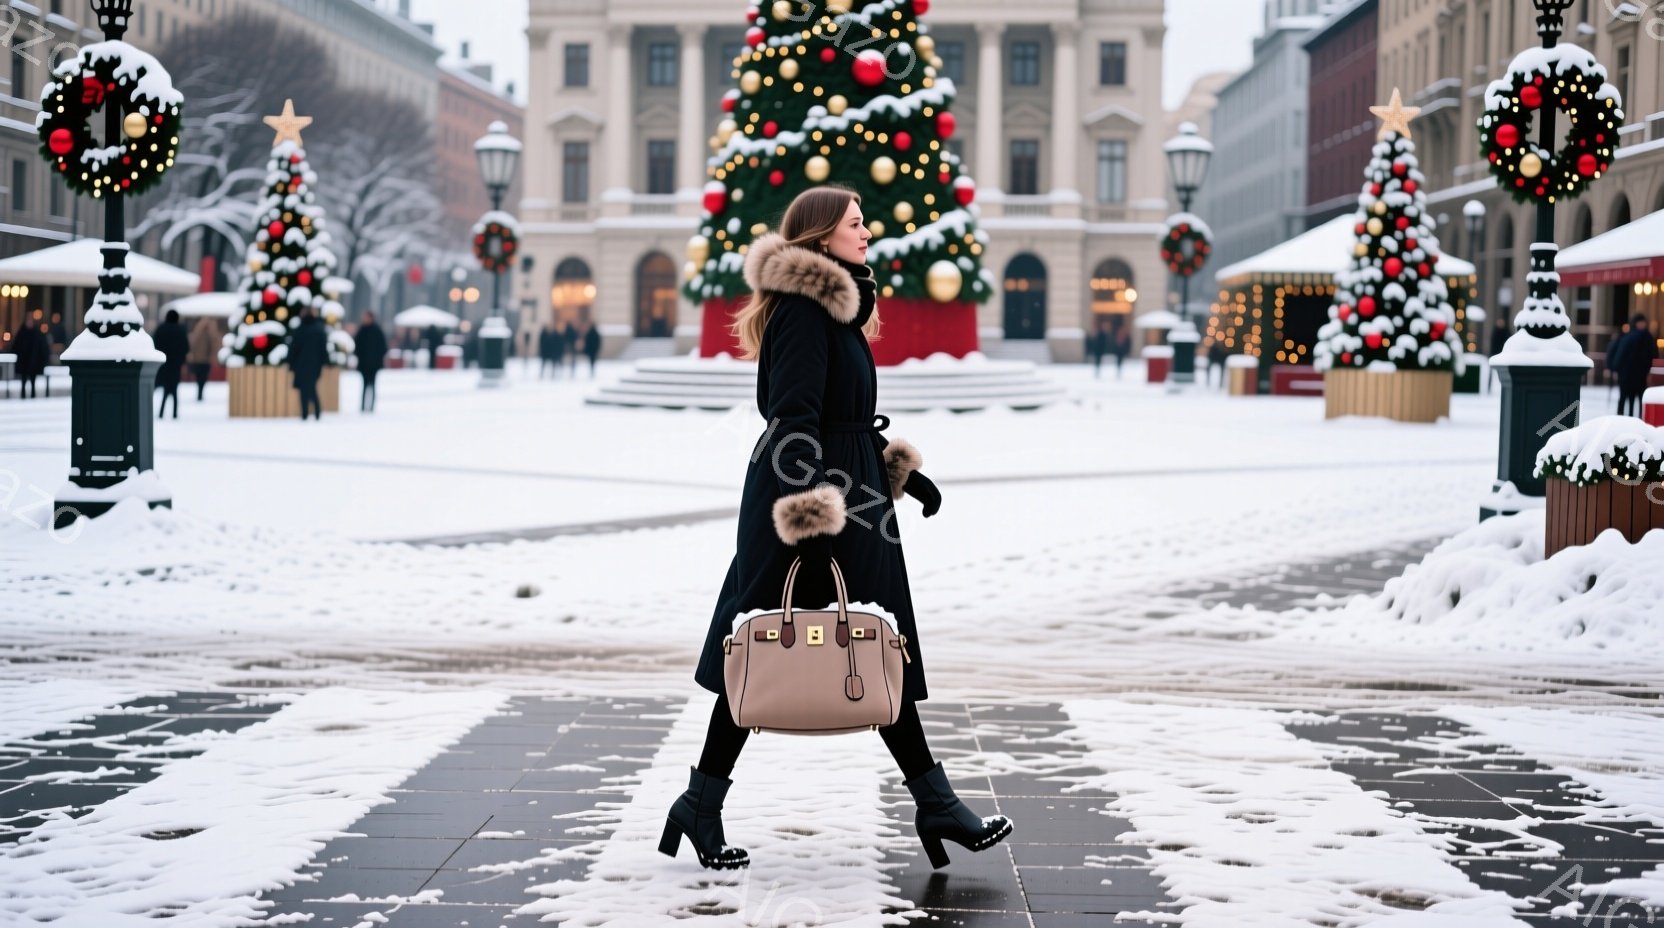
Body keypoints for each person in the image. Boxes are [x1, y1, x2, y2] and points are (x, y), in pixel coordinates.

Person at [666, 185, 1013, 873]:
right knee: (768, 646)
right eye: (856, 223)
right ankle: (703, 803)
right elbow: (795, 422)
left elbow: (839, 419)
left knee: (878, 643)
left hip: (848, 495)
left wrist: (899, 476)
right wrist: (812, 521)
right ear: (823, 237)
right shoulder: (803, 311)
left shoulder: (837, 308)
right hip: (811, 506)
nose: (867, 231)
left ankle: (928, 800)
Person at [1612, 314, 1658, 418]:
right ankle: (1624, 418)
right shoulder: (1643, 337)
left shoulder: (1632, 337)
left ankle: (1629, 418)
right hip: (1630, 374)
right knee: (1629, 398)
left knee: (1633, 398)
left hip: (1637, 374)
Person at [289, 309, 328, 420]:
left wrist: (291, 363)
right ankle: (316, 412)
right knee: (311, 388)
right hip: (315, 364)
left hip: (300, 364)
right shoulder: (319, 329)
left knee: (303, 390)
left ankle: (305, 413)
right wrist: (324, 362)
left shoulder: (300, 329)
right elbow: (323, 349)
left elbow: (294, 348)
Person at [152, 309, 190, 419]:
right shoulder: (181, 330)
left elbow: (155, 345)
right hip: (176, 364)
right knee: (173, 389)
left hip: (162, 364)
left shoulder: (160, 329)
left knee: (166, 388)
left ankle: (162, 412)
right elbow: (186, 347)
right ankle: (174, 413)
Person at [354, 310, 388, 413]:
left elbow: (383, 348)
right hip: (364, 364)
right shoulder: (361, 331)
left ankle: (371, 407)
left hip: (374, 364)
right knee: (364, 385)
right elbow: (357, 347)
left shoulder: (377, 331)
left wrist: (376, 358)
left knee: (372, 385)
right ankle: (363, 406)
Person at [12, 319, 47, 399]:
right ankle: (23, 395)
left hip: (33, 362)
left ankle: (33, 395)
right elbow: (15, 347)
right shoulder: (22, 333)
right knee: (23, 380)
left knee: (33, 381)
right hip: (24, 361)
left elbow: (41, 348)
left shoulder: (36, 334)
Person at [187, 316, 218, 402]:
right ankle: (200, 393)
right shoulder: (199, 334)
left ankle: (200, 393)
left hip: (203, 360)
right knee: (201, 378)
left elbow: (214, 343)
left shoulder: (206, 334)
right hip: (201, 360)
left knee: (201, 378)